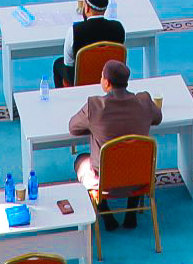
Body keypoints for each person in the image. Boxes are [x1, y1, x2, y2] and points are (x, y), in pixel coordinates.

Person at [68, 60, 163, 228]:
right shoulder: (144, 100)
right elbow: (157, 118)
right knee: (132, 156)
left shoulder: (95, 106)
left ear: (106, 82)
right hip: (141, 178)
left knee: (81, 160)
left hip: (105, 182)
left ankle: (105, 211)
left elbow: (73, 128)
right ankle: (131, 212)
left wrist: (94, 128)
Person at [51, 0, 126, 87]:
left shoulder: (74, 31)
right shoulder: (119, 28)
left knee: (58, 63)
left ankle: (68, 94)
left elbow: (68, 64)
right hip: (111, 76)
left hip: (81, 80)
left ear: (86, 8)